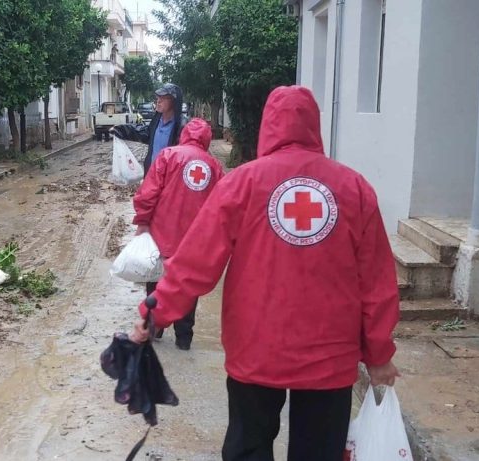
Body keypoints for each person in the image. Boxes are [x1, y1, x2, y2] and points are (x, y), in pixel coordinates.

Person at [128, 86, 402, 460]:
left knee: (249, 446)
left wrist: (153, 312)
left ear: (267, 126)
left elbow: (195, 264)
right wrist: (379, 353)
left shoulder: (242, 184)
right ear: (314, 125)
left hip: (256, 349)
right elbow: (377, 282)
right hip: (330, 355)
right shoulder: (354, 188)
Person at [133, 117, 225, 351]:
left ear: (184, 134)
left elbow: (148, 192)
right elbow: (222, 204)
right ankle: (184, 340)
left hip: (162, 234)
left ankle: (153, 329)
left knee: (156, 281)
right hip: (194, 241)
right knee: (187, 287)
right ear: (207, 139)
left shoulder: (167, 155)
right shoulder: (214, 166)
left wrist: (142, 220)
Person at [112, 83, 189, 173]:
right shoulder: (157, 120)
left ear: (174, 102)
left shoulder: (183, 126)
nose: (158, 101)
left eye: (164, 98)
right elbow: (146, 133)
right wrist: (120, 130)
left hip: (169, 178)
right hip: (151, 175)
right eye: (158, 98)